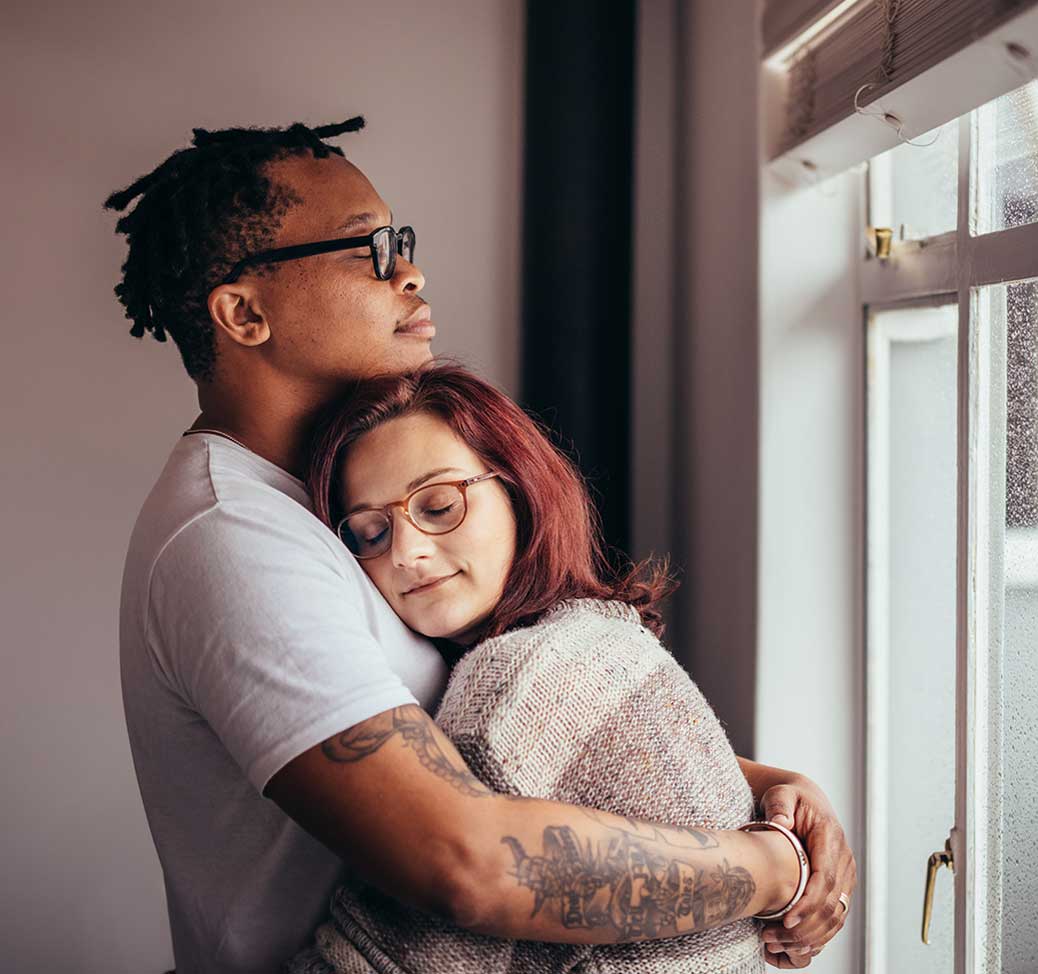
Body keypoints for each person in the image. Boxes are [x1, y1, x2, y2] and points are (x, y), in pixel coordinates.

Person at [107, 117, 855, 974]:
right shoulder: (237, 540)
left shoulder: (321, 501)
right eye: (368, 249)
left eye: (403, 242)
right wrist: (772, 868)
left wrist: (765, 791)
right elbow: (465, 862)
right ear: (244, 312)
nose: (411, 270)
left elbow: (492, 736)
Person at [279, 362, 783, 972]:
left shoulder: (516, 677)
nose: (407, 551)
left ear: (520, 488)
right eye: (371, 531)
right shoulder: (600, 635)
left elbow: (385, 960)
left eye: (439, 506)